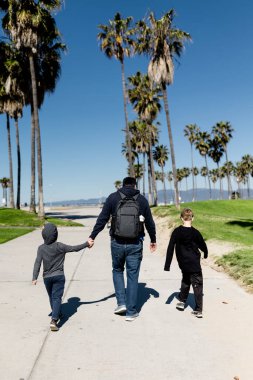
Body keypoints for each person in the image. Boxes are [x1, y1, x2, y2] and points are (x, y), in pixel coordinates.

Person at [89, 177, 157, 322]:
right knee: (132, 276)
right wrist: (153, 239)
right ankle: (131, 312)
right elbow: (150, 223)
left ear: (123, 185)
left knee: (117, 270)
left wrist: (92, 236)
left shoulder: (113, 198)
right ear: (134, 186)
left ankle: (121, 303)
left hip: (116, 242)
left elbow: (102, 219)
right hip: (135, 243)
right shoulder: (142, 200)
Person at [32, 223, 91, 331]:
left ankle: (57, 313)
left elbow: (37, 263)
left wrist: (34, 277)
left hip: (47, 278)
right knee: (57, 297)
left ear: (43, 235)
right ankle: (54, 320)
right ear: (55, 235)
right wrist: (87, 243)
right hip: (59, 276)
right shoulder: (60, 246)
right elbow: (75, 248)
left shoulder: (41, 248)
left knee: (52, 297)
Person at [164, 208, 208, 318]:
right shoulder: (196, 233)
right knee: (197, 285)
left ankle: (182, 301)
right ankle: (198, 309)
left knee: (186, 280)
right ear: (193, 218)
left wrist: (167, 265)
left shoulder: (176, 232)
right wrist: (206, 253)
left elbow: (170, 247)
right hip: (194, 263)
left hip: (183, 263)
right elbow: (203, 245)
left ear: (181, 218)